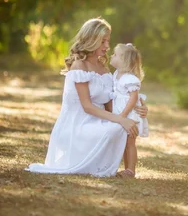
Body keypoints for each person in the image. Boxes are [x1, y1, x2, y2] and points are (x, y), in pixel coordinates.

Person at [26, 18, 148, 177]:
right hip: (77, 124)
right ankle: (99, 166)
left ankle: (127, 170)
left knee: (122, 128)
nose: (107, 46)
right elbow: (87, 106)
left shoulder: (104, 68)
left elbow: (114, 102)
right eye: (103, 41)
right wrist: (120, 120)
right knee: (118, 126)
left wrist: (139, 110)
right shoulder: (79, 66)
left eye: (107, 41)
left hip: (98, 120)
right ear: (91, 40)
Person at [109, 43, 149, 178]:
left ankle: (130, 170)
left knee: (130, 143)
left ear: (123, 61)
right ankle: (126, 169)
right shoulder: (116, 74)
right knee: (123, 142)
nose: (111, 56)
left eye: (114, 54)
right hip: (120, 113)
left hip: (130, 115)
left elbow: (133, 98)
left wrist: (123, 115)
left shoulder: (130, 79)